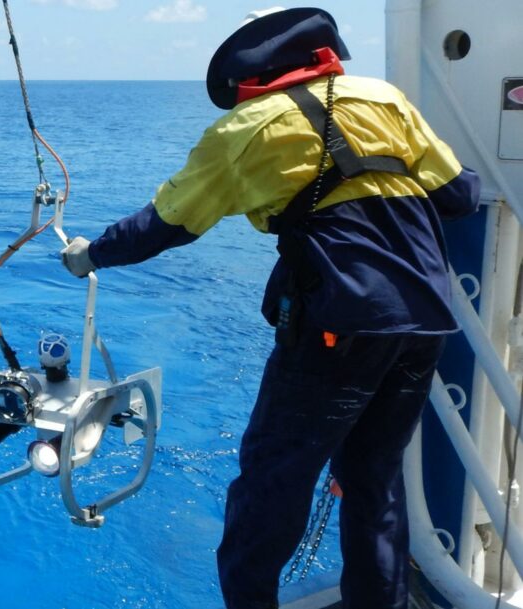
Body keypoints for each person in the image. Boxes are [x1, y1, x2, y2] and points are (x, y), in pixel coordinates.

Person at [60, 7, 481, 609]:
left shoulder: (245, 130)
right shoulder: (384, 99)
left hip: (342, 320)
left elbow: (166, 224)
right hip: (426, 314)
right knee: (373, 481)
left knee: (272, 483)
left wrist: (91, 254)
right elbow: (460, 195)